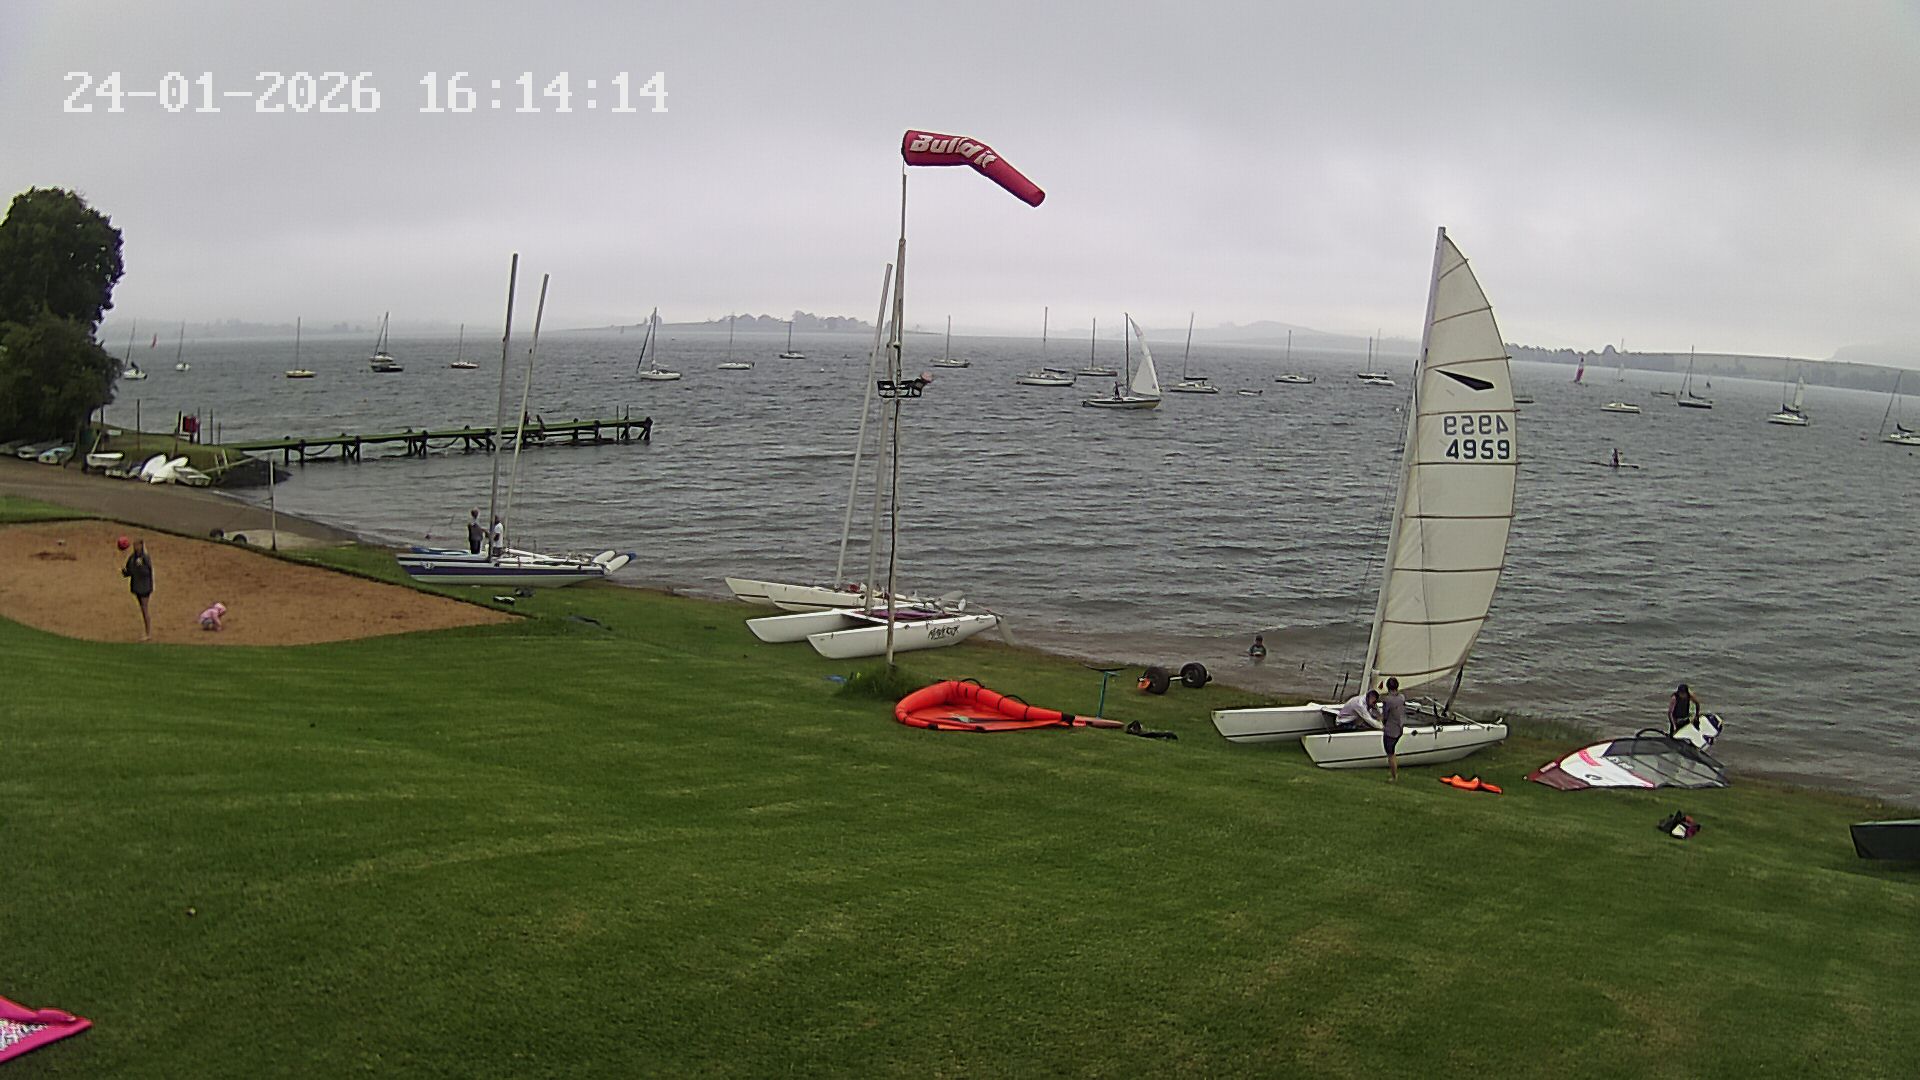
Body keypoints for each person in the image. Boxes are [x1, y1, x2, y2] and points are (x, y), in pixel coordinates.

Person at [121, 538, 153, 640]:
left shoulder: (145, 558)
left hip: (145, 587)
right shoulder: (132, 558)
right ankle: (147, 632)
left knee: (144, 608)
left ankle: (148, 633)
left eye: (137, 545)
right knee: (142, 608)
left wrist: (139, 566)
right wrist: (124, 571)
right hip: (136, 586)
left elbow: (147, 572)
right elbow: (128, 572)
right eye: (134, 545)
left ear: (141, 545)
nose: (135, 547)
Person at [1379, 676, 1408, 781]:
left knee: (1390, 754)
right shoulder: (1402, 697)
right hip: (1400, 728)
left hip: (1391, 730)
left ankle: (1394, 776)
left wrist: (1382, 722)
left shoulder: (1388, 700)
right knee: (1392, 752)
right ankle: (1393, 771)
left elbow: (1385, 715)